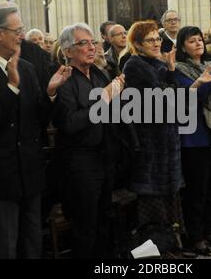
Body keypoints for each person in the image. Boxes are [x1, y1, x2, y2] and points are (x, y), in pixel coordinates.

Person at [0, 3, 70, 259]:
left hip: (30, 171)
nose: (21, 35)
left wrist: (51, 93)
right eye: (17, 30)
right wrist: (11, 86)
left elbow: (38, 120)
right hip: (1, 176)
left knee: (32, 241)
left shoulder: (28, 68)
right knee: (3, 245)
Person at [53, 23, 125, 258]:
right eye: (83, 43)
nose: (92, 47)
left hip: (106, 156)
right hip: (80, 162)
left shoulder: (99, 73)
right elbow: (71, 123)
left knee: (106, 218)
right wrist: (105, 97)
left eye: (93, 42)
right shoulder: (64, 80)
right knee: (86, 225)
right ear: (68, 51)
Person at [123, 21, 185, 249]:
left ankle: (172, 244)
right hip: (150, 142)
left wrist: (169, 70)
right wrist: (169, 77)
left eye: (157, 39)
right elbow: (163, 98)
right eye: (150, 40)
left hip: (168, 139)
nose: (156, 43)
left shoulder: (158, 64)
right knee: (152, 201)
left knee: (170, 197)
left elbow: (177, 99)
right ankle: (154, 248)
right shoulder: (135, 65)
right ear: (137, 44)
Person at [174, 26, 211, 255]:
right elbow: (194, 96)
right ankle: (195, 236)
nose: (198, 44)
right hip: (194, 137)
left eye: (199, 40)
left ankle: (210, 229)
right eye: (191, 41)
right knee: (197, 190)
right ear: (182, 46)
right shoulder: (179, 69)